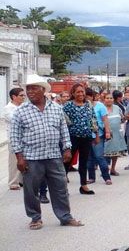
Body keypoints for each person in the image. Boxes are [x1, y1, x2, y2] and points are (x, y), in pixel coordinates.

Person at [10, 75, 83, 229]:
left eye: (34, 88)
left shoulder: (56, 108)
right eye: (28, 88)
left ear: (43, 90)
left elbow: (64, 130)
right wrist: (19, 158)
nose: (30, 91)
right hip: (31, 157)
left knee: (60, 188)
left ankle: (65, 217)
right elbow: (14, 137)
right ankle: (35, 218)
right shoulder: (20, 111)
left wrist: (67, 148)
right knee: (31, 191)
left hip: (53, 156)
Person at [63, 84, 97, 195]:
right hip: (72, 137)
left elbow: (93, 119)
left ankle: (83, 185)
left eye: (82, 92)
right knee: (67, 162)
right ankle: (63, 186)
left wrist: (95, 134)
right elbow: (63, 121)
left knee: (84, 161)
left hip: (86, 137)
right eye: (78, 92)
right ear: (73, 93)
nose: (81, 94)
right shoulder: (68, 105)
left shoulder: (88, 104)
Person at [86, 88, 112, 185]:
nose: (86, 98)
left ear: (92, 96)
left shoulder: (100, 106)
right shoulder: (82, 106)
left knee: (99, 156)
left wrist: (108, 132)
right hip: (86, 136)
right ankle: (91, 177)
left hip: (98, 134)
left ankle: (107, 177)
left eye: (88, 96)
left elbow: (105, 120)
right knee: (89, 158)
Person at [4, 87, 26, 190]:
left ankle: (21, 181)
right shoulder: (8, 108)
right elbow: (17, 121)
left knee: (24, 160)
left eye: (24, 95)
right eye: (21, 95)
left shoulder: (23, 106)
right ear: (14, 97)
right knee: (14, 161)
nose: (23, 97)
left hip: (24, 138)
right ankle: (13, 182)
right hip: (14, 139)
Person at [103, 94, 127, 176]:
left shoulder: (117, 108)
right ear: (104, 99)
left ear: (113, 99)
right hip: (105, 133)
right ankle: (105, 169)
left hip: (116, 133)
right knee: (104, 152)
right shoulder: (101, 108)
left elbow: (123, 118)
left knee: (115, 152)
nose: (109, 99)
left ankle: (113, 169)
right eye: (107, 98)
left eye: (111, 98)